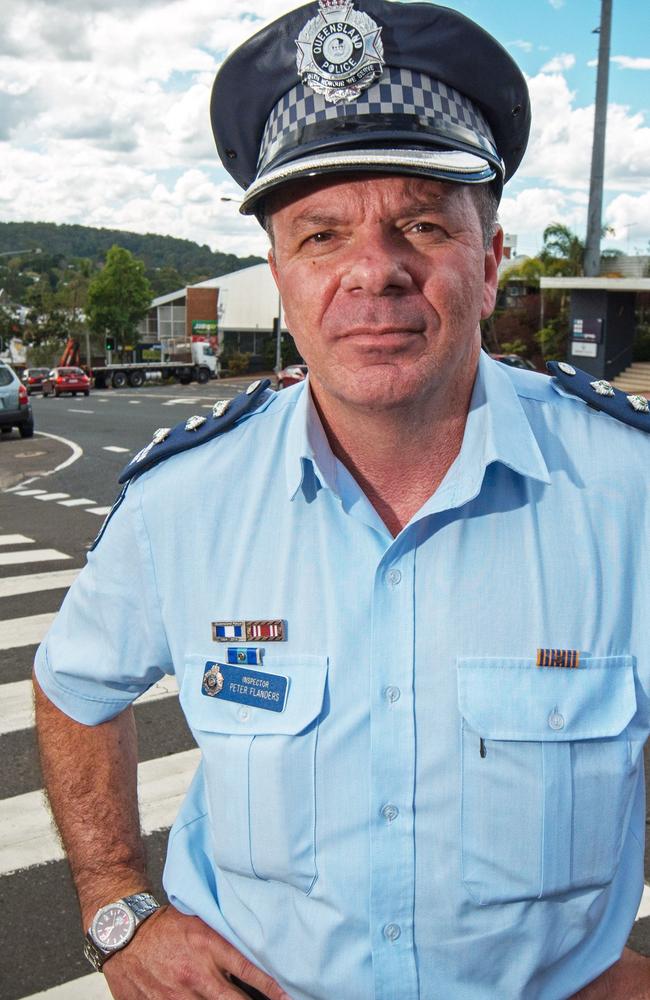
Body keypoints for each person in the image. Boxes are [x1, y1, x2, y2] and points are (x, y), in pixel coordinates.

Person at [33, 1, 650, 998]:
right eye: (321, 236)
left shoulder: (629, 492)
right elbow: (72, 688)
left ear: (488, 262)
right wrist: (119, 911)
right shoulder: (184, 502)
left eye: (420, 223)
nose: (374, 271)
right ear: (280, 277)